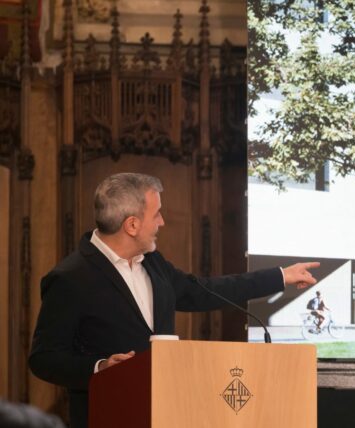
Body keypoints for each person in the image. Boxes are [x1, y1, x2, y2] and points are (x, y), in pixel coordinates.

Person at [28, 173, 320, 428]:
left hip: (167, 415)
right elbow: (44, 359)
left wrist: (280, 277)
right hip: (108, 418)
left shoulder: (152, 262)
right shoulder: (70, 278)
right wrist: (100, 367)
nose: (162, 222)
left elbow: (203, 291)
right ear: (132, 225)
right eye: (156, 214)